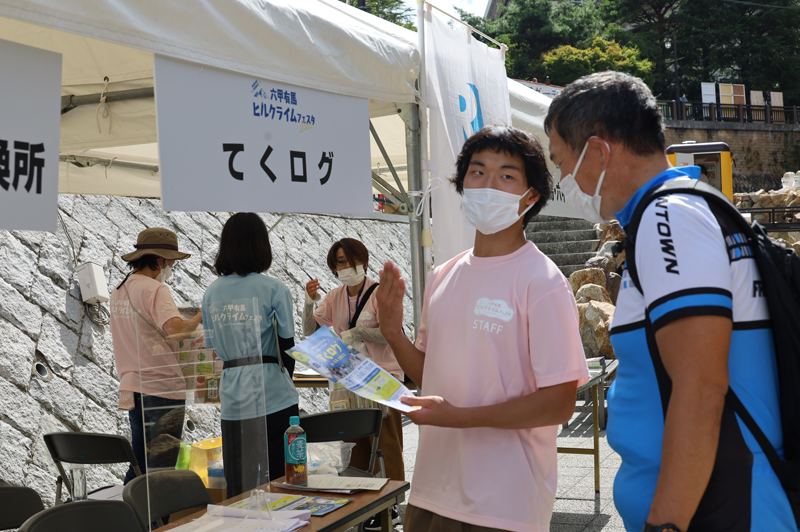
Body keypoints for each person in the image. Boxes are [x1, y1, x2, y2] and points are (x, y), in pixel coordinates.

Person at [544, 71, 795, 532]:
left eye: (561, 161)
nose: (562, 177)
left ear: (598, 151)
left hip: (726, 509)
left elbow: (700, 385)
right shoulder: (675, 212)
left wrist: (665, 524)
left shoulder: (668, 218)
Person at [376, 126, 589, 532]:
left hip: (504, 504)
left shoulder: (541, 282)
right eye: (477, 172)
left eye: (507, 175)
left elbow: (559, 403)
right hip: (430, 493)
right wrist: (392, 333)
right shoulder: (443, 275)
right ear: (461, 184)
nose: (488, 184)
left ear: (531, 197)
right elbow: (430, 374)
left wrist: (457, 417)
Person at [303, 238, 405, 531]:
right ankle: (366, 507)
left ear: (363, 260)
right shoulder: (334, 297)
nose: (345, 267)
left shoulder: (378, 293)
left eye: (349, 260)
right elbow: (312, 331)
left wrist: (357, 332)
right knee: (356, 447)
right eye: (339, 262)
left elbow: (391, 333)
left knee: (386, 445)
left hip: (381, 380)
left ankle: (393, 505)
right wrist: (309, 302)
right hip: (346, 381)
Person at [202, 213, 299, 498]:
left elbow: (213, 348)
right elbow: (287, 347)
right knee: (284, 483)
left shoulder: (211, 294)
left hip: (233, 397)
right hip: (274, 396)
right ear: (261, 245)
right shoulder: (274, 289)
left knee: (240, 488)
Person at [110, 228, 202, 483]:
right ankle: (157, 522)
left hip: (133, 387)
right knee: (161, 470)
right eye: (171, 262)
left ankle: (131, 519)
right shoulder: (156, 290)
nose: (171, 268)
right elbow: (175, 331)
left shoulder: (119, 289)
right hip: (162, 389)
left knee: (140, 467)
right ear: (160, 260)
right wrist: (199, 317)